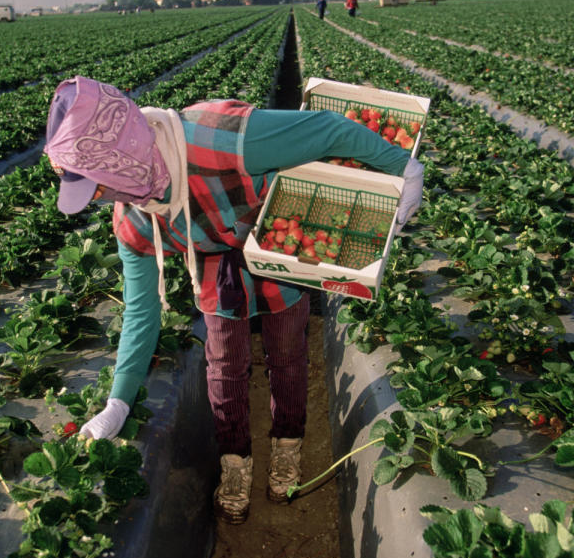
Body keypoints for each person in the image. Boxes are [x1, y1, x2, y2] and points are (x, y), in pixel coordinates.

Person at [43, 77, 421, 524]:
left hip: (277, 239)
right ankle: (234, 461)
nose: (100, 197)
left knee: (287, 352)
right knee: (224, 363)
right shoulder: (137, 219)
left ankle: (287, 447)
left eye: (96, 185)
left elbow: (331, 128)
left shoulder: (221, 137)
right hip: (216, 266)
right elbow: (142, 309)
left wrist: (405, 169)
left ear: (118, 157)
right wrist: (118, 402)